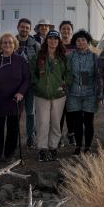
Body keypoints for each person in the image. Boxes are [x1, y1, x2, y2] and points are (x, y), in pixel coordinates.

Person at [0, 34, 29, 161]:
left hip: (15, 100)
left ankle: (9, 153)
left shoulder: (21, 61)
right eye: (4, 42)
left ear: (14, 45)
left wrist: (21, 93)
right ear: (0, 45)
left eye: (10, 42)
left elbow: (26, 79)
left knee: (13, 128)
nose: (7, 45)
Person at [30, 30, 71, 161]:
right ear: (46, 40)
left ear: (59, 42)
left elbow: (69, 74)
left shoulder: (64, 57)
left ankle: (53, 147)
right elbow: (32, 73)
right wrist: (38, 85)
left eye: (56, 39)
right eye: (50, 38)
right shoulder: (39, 56)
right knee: (42, 122)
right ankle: (42, 148)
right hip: (42, 95)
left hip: (59, 95)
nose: (53, 41)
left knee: (55, 123)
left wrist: (64, 85)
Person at [67, 30, 99, 155]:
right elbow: (67, 73)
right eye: (78, 40)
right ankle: (78, 146)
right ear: (75, 42)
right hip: (74, 94)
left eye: (83, 40)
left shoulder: (94, 57)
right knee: (77, 122)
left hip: (90, 94)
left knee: (89, 122)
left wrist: (97, 92)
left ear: (88, 42)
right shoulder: (70, 56)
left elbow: (97, 75)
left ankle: (88, 147)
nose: (81, 42)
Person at [16, 18, 40, 149]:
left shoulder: (35, 45)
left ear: (30, 30)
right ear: (18, 27)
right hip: (15, 85)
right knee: (15, 112)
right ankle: (13, 137)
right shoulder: (12, 42)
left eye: (27, 27)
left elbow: (40, 64)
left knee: (31, 112)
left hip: (30, 84)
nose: (24, 29)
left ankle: (31, 137)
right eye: (22, 27)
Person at [59, 20, 76, 146]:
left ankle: (71, 134)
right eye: (63, 29)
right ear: (60, 31)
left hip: (73, 83)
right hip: (59, 83)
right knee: (59, 111)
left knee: (71, 110)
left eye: (68, 29)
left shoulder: (76, 46)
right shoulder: (56, 45)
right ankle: (58, 136)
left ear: (72, 31)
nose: (66, 31)